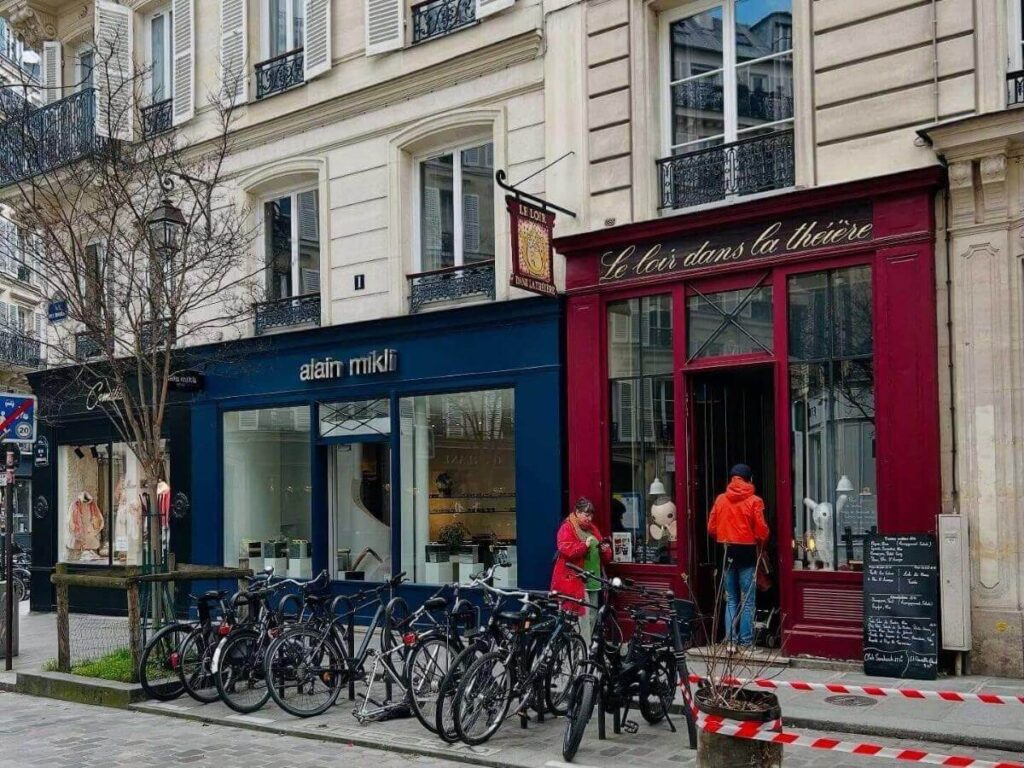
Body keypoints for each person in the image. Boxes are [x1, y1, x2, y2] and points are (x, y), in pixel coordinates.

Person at [707, 463, 769, 652]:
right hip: (747, 552)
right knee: (748, 600)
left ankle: (731, 642)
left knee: (731, 598)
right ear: (749, 479)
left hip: (726, 551)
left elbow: (711, 528)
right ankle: (746, 643)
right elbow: (761, 531)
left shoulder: (720, 499)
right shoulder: (754, 501)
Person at [551, 497, 612, 641]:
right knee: (580, 621)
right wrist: (584, 545)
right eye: (586, 514)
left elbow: (605, 558)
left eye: (591, 515)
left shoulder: (593, 529)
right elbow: (566, 549)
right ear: (577, 512)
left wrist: (605, 550)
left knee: (592, 618)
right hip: (576, 581)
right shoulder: (567, 528)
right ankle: (581, 652)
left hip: (594, 581)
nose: (589, 518)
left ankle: (588, 650)